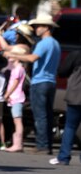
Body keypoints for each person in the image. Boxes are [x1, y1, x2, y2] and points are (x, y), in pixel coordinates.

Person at [5, 13, 61, 155]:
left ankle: (42, 146)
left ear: (46, 27)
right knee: (47, 115)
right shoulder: (56, 44)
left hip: (40, 82)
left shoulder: (44, 43)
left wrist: (14, 55)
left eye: (38, 26)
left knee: (40, 115)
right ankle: (46, 145)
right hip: (51, 82)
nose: (35, 29)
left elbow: (32, 58)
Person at [51, 49, 81, 165]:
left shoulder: (76, 54)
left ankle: (63, 156)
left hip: (76, 94)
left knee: (70, 126)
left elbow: (62, 72)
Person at [3, 45, 28, 152]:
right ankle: (17, 143)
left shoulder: (18, 69)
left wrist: (7, 94)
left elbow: (15, 83)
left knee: (17, 121)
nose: (9, 57)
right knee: (16, 120)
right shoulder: (16, 68)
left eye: (12, 56)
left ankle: (17, 144)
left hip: (16, 97)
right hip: (15, 97)